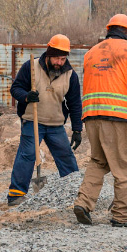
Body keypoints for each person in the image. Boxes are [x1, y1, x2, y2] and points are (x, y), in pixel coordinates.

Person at [72, 14, 127, 227]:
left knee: (99, 161)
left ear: (109, 29)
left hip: (91, 116)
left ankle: (83, 203)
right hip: (116, 117)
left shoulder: (90, 53)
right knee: (123, 167)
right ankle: (122, 216)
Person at [7, 34, 83, 206]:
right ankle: (16, 194)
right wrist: (26, 96)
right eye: (56, 58)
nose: (59, 62)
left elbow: (75, 104)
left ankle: (76, 191)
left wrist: (77, 129)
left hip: (56, 124)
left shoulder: (71, 75)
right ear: (48, 55)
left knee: (66, 155)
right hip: (32, 120)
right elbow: (15, 88)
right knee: (27, 155)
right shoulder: (31, 67)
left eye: (63, 59)